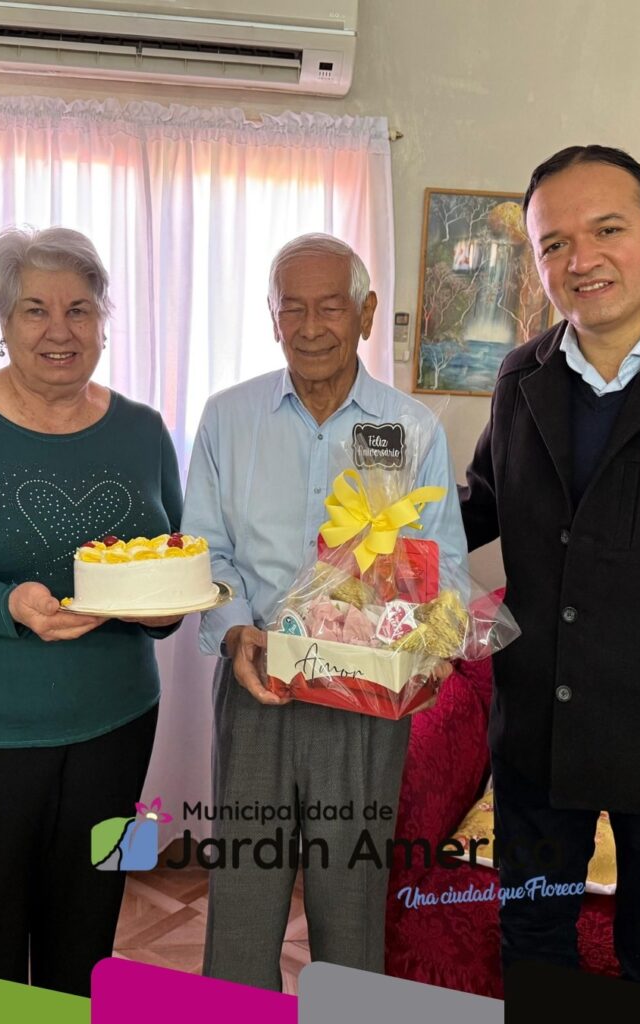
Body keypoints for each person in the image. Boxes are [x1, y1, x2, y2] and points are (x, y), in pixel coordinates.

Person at [459, 146, 640, 994]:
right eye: (552, 244)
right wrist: (375, 537)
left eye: (605, 229)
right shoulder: (519, 377)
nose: (579, 260)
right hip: (539, 734)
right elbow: (477, 504)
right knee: (533, 941)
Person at [181, 232, 469, 991]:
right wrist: (240, 630)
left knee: (350, 903)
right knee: (242, 904)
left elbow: (447, 573)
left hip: (366, 701)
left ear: (367, 313)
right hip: (256, 682)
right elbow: (205, 553)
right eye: (292, 308)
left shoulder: (413, 429)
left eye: (331, 306)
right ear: (271, 319)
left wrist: (423, 642)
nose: (311, 325)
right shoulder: (227, 418)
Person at [0, 227, 184, 996]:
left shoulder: (143, 429)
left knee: (87, 926)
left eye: (80, 310)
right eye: (35, 310)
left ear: (104, 323)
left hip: (117, 726)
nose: (59, 330)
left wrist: (159, 614)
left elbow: (172, 568)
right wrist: (6, 604)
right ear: (4, 322)